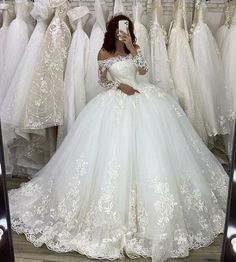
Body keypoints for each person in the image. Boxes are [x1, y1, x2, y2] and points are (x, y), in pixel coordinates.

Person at [9, 15, 228, 262]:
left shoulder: (135, 48)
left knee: (153, 154)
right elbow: (102, 81)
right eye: (119, 29)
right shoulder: (103, 53)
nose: (122, 32)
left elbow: (143, 70)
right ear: (112, 31)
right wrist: (117, 86)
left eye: (126, 29)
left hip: (144, 98)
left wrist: (133, 48)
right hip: (115, 101)